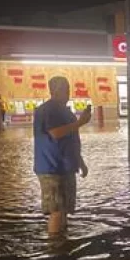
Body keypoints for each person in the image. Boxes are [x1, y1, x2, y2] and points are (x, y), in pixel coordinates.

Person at [33, 76, 91, 236]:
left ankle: (62, 242)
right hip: (51, 167)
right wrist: (80, 123)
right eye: (66, 89)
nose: (68, 93)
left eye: (68, 89)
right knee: (56, 210)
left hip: (66, 166)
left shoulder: (65, 111)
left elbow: (71, 139)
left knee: (64, 209)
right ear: (56, 91)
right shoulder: (48, 110)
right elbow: (55, 133)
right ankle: (55, 247)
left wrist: (80, 161)